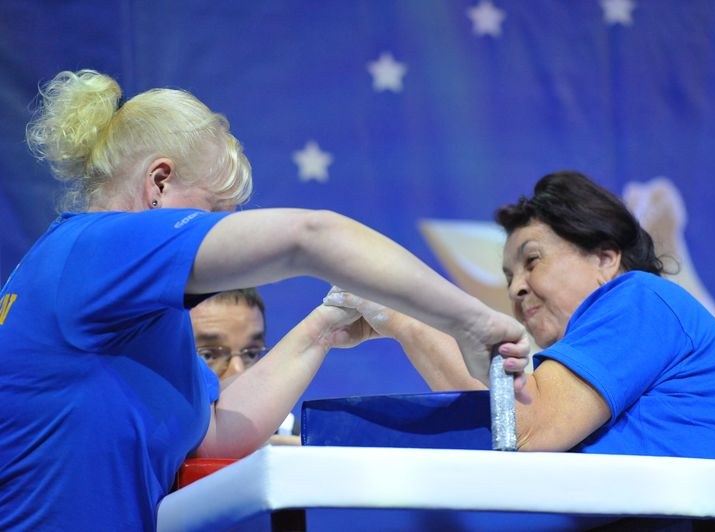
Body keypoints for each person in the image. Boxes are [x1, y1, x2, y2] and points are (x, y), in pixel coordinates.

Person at [0, 69, 529, 531]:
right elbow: (311, 236)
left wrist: (323, 327)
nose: (222, 233)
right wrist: (474, 323)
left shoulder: (128, 305)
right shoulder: (100, 247)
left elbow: (214, 438)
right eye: (214, 214)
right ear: (158, 183)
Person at [327, 171, 715, 530]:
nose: (516, 286)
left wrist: (402, 316)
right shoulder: (592, 369)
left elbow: (524, 431)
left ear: (604, 258)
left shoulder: (641, 298)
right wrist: (404, 326)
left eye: (532, 260)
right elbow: (497, 421)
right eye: (507, 275)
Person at [190, 288, 298, 441]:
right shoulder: (148, 443)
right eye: (208, 354)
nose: (238, 371)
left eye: (251, 354)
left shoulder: (286, 433)